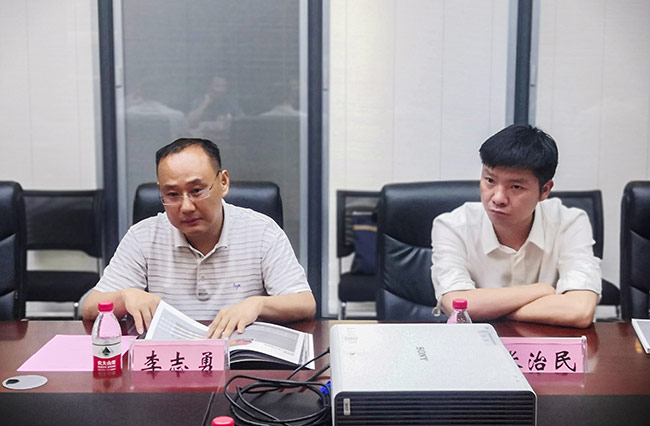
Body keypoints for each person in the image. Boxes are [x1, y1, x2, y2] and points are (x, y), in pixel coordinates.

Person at [82, 138, 316, 338]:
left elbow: (304, 303)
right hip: (167, 364)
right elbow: (90, 307)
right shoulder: (143, 236)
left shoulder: (262, 231)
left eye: (196, 191)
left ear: (223, 182)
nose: (186, 207)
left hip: (239, 361)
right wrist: (125, 296)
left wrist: (258, 304)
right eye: (172, 194)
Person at [431, 124, 601, 328]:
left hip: (548, 344)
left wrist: (489, 310)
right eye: (490, 180)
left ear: (545, 190)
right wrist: (543, 290)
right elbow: (456, 305)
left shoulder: (569, 223)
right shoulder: (452, 226)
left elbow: (579, 310)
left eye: (516, 187)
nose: (498, 198)